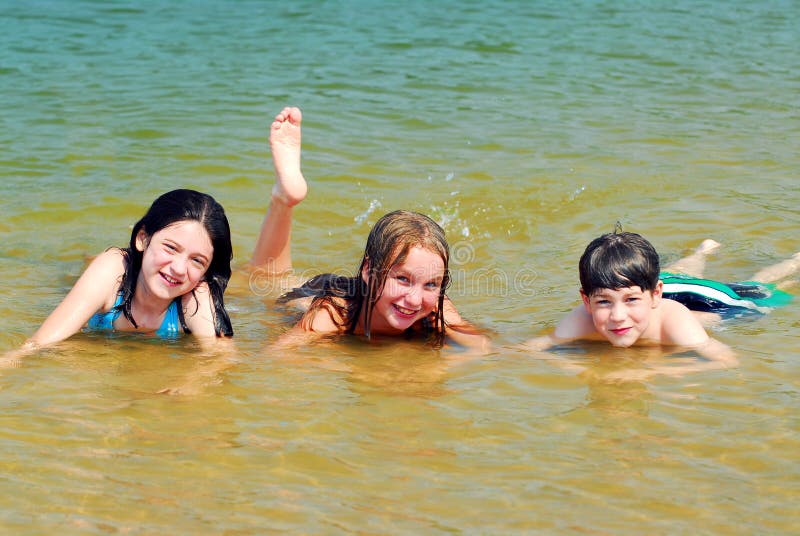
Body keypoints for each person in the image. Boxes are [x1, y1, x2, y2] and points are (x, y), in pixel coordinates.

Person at [251, 107, 488, 350]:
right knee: (266, 280)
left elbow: (483, 347)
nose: (415, 299)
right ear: (368, 269)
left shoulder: (435, 308)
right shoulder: (333, 313)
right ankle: (283, 199)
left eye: (431, 284)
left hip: (361, 289)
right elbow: (277, 355)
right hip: (314, 295)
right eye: (403, 279)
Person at [8, 189, 234, 360]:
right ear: (143, 239)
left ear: (206, 271)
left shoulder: (196, 295)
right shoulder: (112, 272)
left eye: (197, 260)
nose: (179, 268)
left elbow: (220, 360)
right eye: (171, 248)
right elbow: (40, 343)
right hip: (114, 275)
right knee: (94, 264)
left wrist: (187, 387)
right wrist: (12, 361)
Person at [526, 230, 738, 377]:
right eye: (603, 302)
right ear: (587, 301)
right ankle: (699, 253)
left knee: (764, 291)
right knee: (675, 273)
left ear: (656, 294)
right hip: (632, 286)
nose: (617, 316)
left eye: (629, 301)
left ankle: (702, 254)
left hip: (701, 298)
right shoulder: (581, 320)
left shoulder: (677, 324)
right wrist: (587, 371)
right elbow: (532, 350)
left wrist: (647, 371)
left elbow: (727, 360)